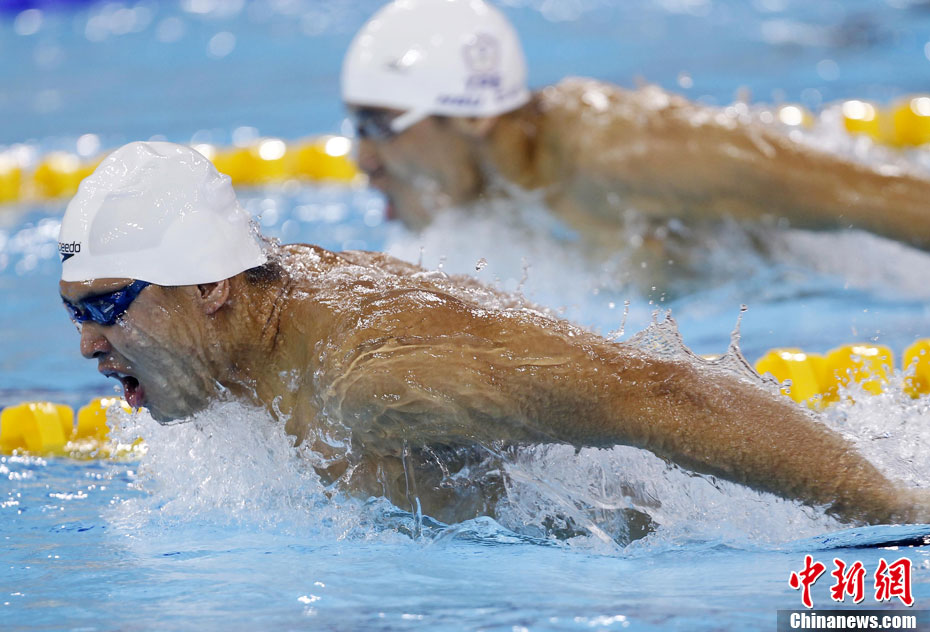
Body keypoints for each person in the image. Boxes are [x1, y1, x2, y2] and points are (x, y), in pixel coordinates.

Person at [59, 142, 928, 529]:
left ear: (212, 285)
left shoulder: (372, 377)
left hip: (666, 546)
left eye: (107, 307)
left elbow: (659, 394)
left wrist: (896, 517)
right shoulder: (254, 325)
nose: (89, 347)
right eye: (77, 314)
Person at [341, 0, 930, 251]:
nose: (361, 159)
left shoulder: (630, 154)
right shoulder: (492, 189)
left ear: (473, 114)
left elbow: (884, 199)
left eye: (377, 125)